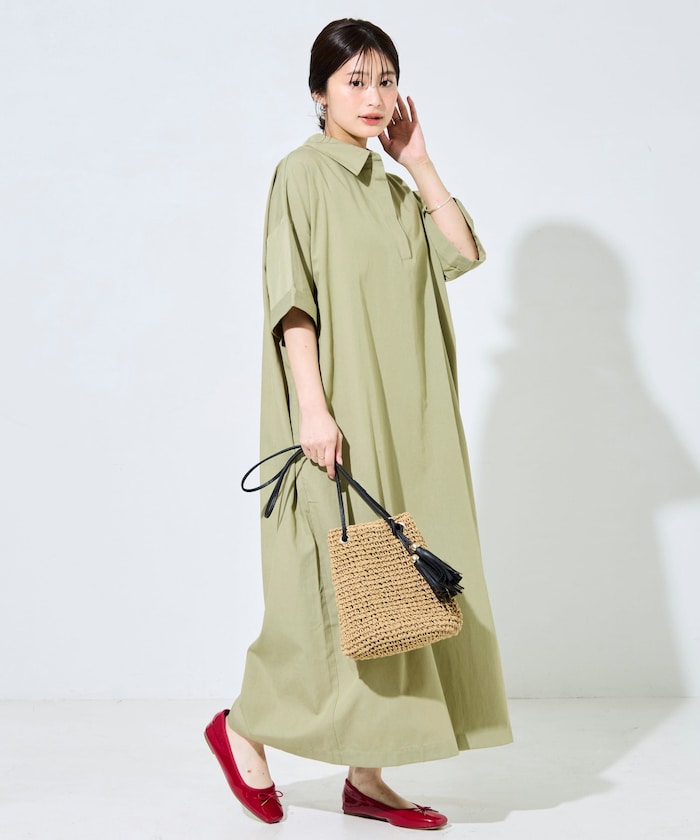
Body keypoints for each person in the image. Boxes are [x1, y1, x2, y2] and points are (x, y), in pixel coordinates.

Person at [205, 18, 512, 829]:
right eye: (355, 81)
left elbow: (460, 252)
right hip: (338, 410)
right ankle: (242, 727)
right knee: (325, 595)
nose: (374, 97)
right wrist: (313, 407)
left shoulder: (396, 189)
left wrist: (418, 161)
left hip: (408, 419)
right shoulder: (302, 176)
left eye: (386, 80)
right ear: (319, 93)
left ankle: (367, 777)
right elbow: (292, 300)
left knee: (396, 594)